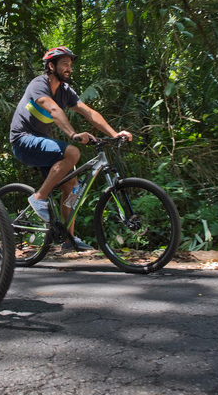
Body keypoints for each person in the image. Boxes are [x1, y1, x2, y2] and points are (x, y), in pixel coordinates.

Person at [9, 46, 133, 251]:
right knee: (73, 152)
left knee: (72, 186)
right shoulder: (39, 84)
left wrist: (114, 134)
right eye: (64, 64)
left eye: (70, 65)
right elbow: (53, 109)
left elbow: (88, 112)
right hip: (23, 141)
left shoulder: (66, 91)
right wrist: (73, 135)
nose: (69, 69)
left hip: (42, 143)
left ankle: (68, 241)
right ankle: (38, 197)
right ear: (51, 66)